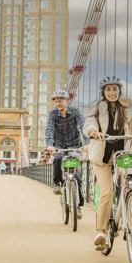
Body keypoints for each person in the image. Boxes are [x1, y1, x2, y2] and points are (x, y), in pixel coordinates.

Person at [82, 76, 132, 249]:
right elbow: (89, 123)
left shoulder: (129, 108)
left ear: (119, 91)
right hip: (103, 159)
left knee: (129, 183)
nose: (112, 93)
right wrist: (93, 132)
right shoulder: (97, 109)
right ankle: (101, 232)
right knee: (107, 194)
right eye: (108, 90)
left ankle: (131, 208)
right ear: (103, 93)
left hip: (124, 156)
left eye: (115, 89)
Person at [46, 89, 89, 219]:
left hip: (74, 145)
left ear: (66, 101)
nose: (58, 104)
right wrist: (50, 144)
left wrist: (87, 142)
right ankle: (57, 183)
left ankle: (78, 207)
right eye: (56, 101)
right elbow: (50, 128)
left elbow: (83, 127)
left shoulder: (75, 111)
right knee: (58, 158)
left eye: (60, 101)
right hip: (59, 144)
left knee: (76, 175)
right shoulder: (53, 113)